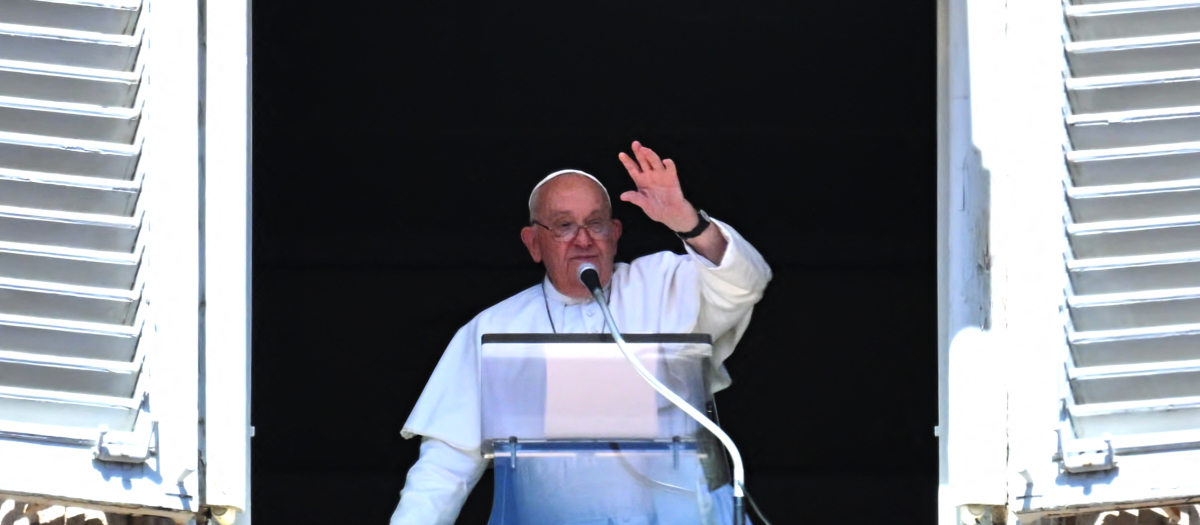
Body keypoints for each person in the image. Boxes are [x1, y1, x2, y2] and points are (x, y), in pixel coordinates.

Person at [391, 141, 772, 524]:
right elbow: (444, 468)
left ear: (616, 232)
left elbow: (745, 282)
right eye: (563, 226)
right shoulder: (494, 329)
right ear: (533, 243)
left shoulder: (661, 283)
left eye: (596, 223)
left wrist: (688, 222)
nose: (584, 240)